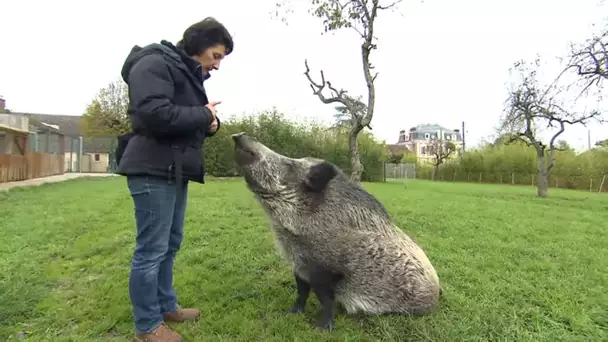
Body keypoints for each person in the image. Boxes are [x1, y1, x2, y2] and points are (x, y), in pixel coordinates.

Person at [115, 17, 234, 342]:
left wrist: (211, 124)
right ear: (198, 46)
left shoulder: (185, 73)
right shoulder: (153, 62)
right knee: (151, 250)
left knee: (170, 244)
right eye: (216, 55)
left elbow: (185, 118)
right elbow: (152, 114)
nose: (218, 64)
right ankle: (147, 327)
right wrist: (202, 114)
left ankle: (167, 307)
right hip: (152, 168)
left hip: (173, 170)